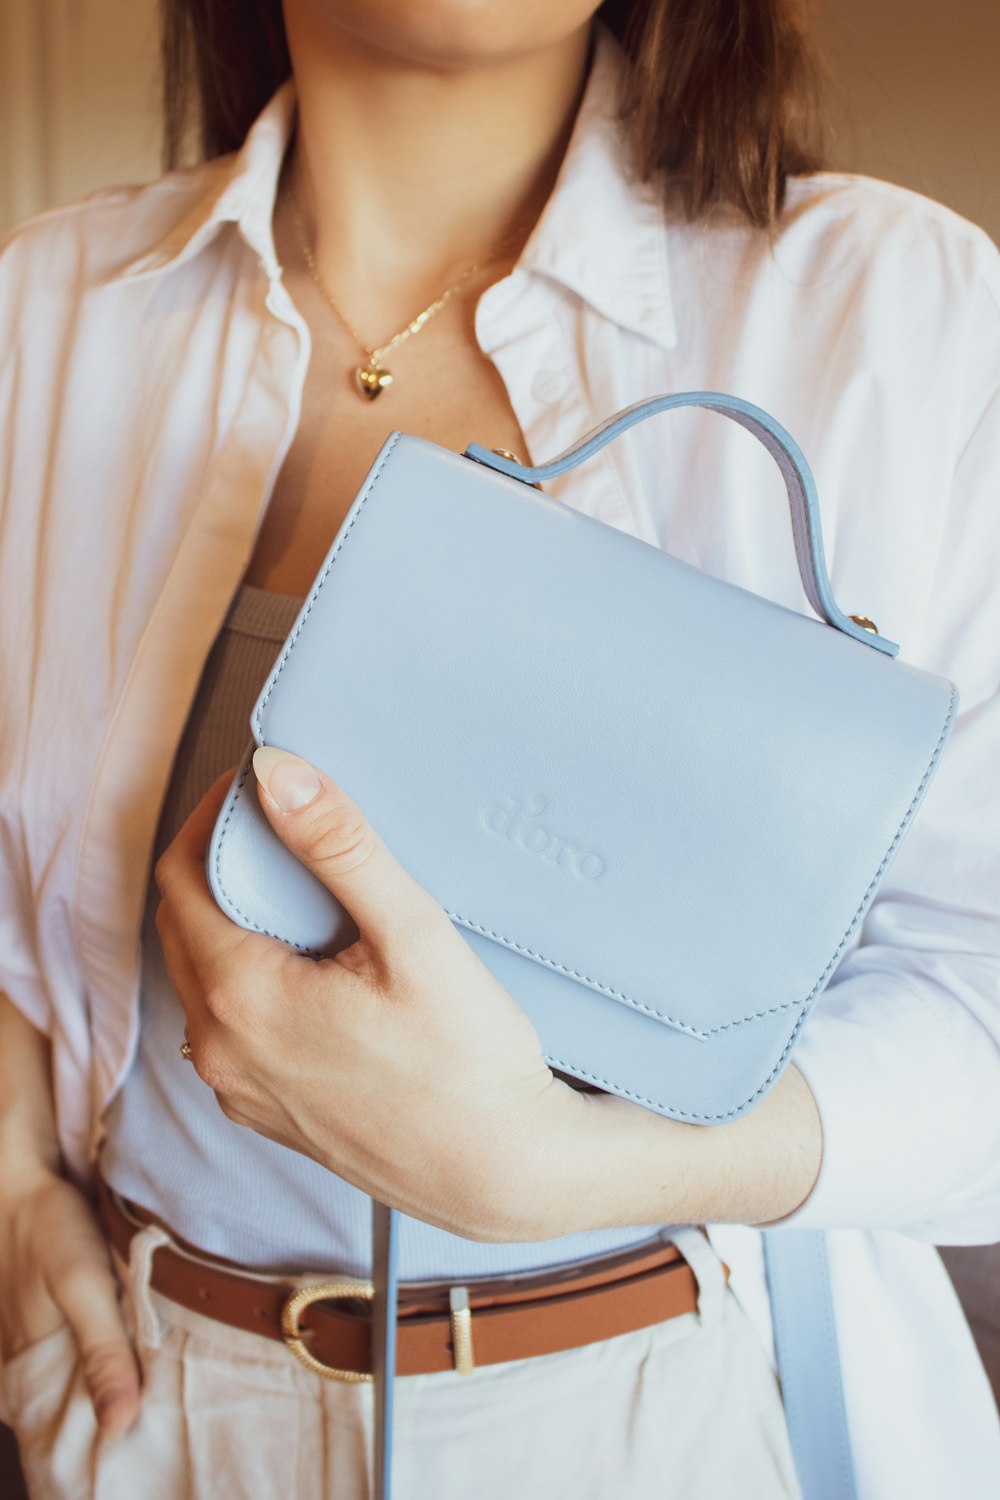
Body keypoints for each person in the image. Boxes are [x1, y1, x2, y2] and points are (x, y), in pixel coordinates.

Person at [0, 1, 998, 1496]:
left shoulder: (897, 307)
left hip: (649, 1417)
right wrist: (11, 1186)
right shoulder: (46, 309)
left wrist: (578, 1167)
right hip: (145, 1408)